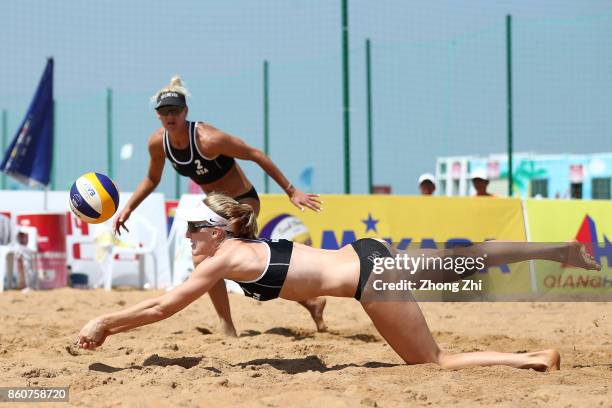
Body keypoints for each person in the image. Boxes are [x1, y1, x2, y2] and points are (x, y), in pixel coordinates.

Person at [78, 193, 601, 371]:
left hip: (372, 279)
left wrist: (106, 322)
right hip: (366, 256)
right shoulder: (242, 249)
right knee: (469, 260)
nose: (187, 237)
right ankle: (561, 249)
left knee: (434, 363)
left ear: (216, 231)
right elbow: (299, 277)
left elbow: (164, 308)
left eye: (193, 229)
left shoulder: (222, 259)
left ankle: (532, 360)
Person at [112, 76, 325, 336]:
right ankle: (309, 301)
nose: (171, 115)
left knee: (213, 260)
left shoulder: (208, 139)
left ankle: (227, 326)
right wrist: (128, 208)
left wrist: (291, 191)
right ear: (157, 115)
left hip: (242, 203)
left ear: (185, 111)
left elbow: (256, 154)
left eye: (175, 110)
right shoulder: (158, 143)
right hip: (215, 210)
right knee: (239, 266)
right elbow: (152, 179)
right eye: (164, 111)